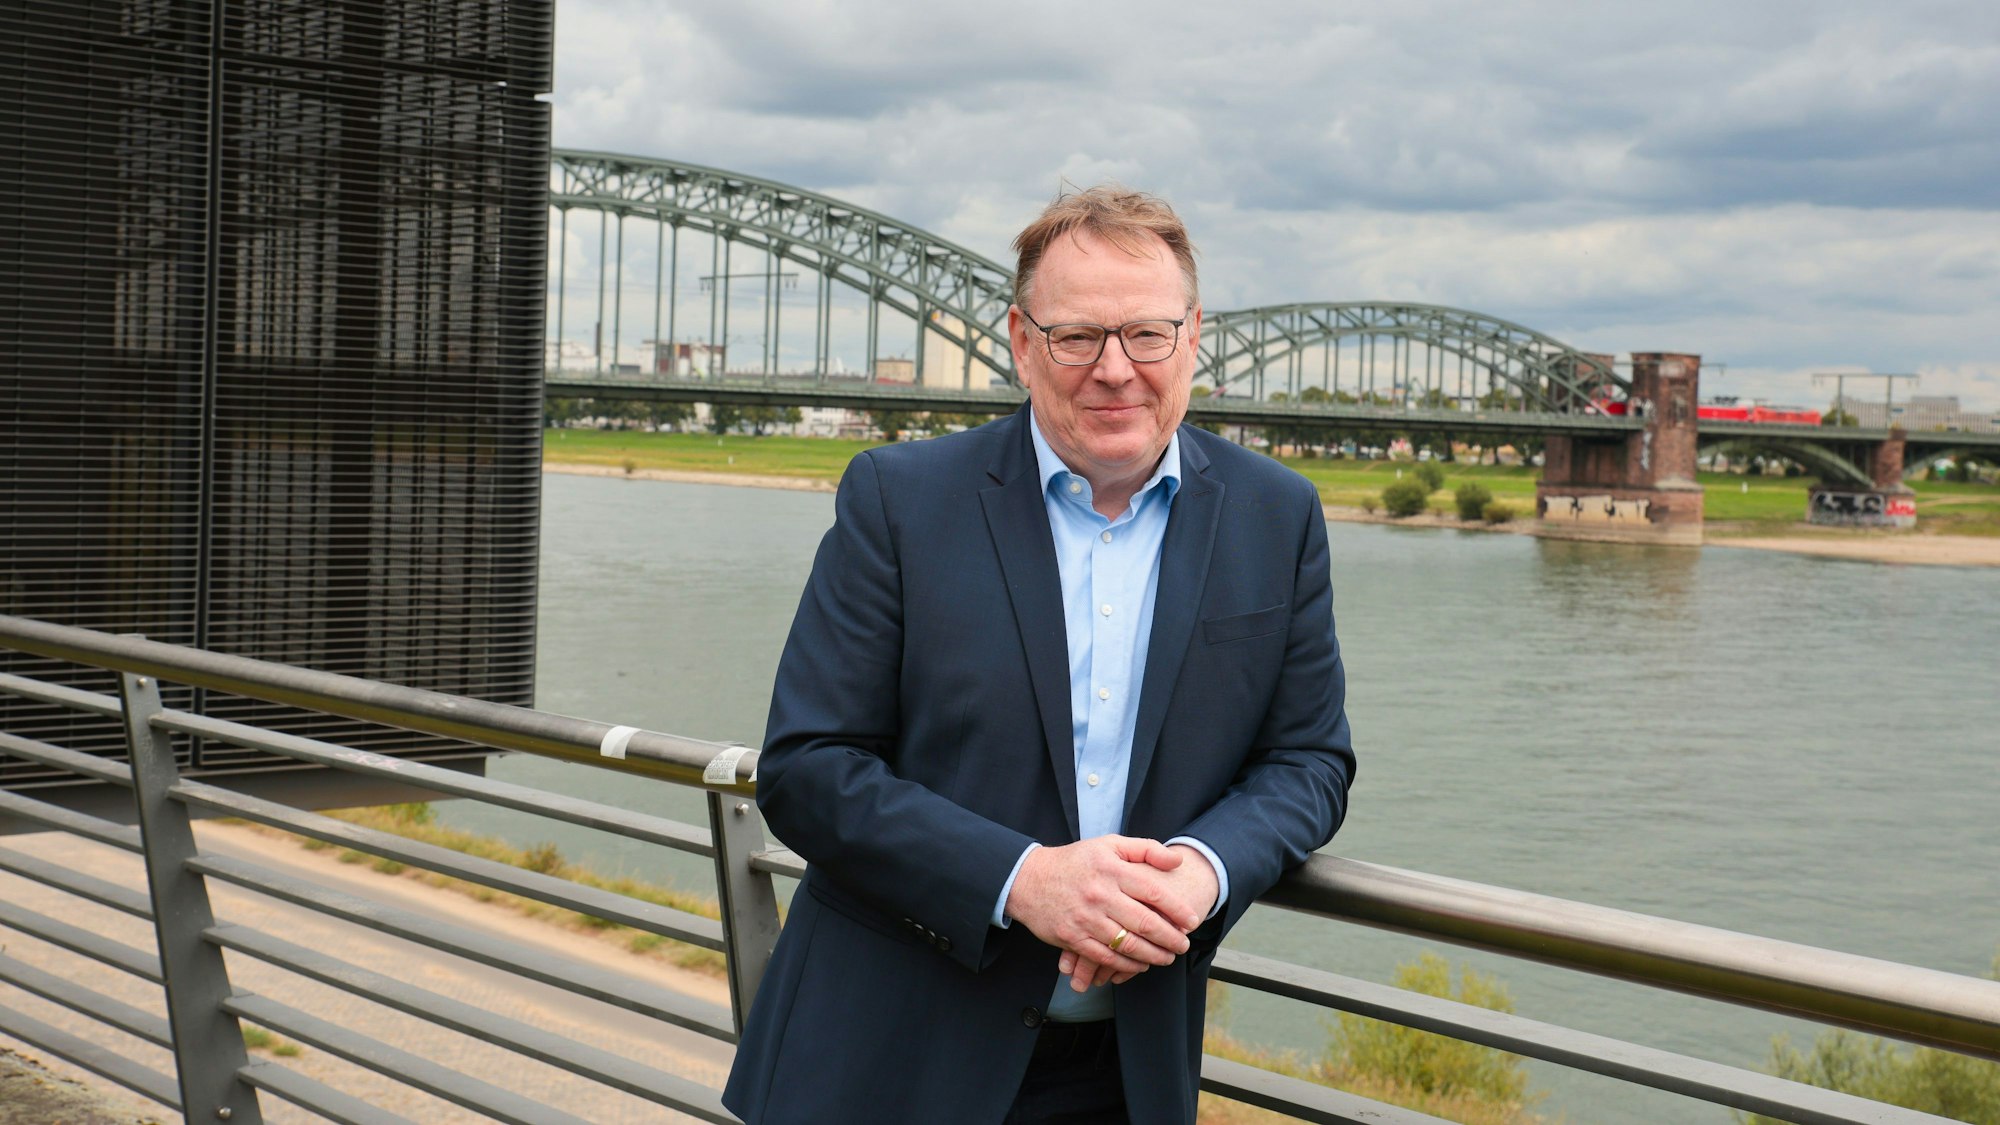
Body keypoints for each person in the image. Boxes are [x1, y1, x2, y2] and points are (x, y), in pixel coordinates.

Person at [722, 186, 1355, 1125]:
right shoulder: (900, 500)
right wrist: (1023, 879)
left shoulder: (1279, 515)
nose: (1115, 369)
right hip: (885, 1060)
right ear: (1021, 342)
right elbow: (809, 768)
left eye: (1147, 333)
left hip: (1122, 1074)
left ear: (1194, 339)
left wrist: (1202, 869)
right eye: (1076, 337)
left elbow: (1309, 760)